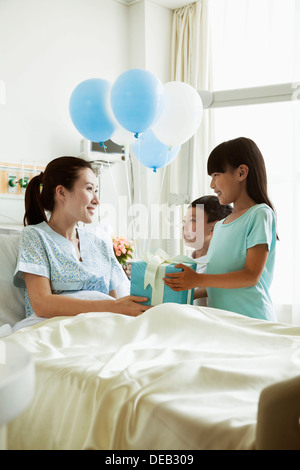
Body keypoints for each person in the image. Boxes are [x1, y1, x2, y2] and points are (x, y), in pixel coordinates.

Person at [13, 156, 150, 330]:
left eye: (96, 190)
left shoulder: (99, 243)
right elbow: (42, 303)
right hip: (55, 329)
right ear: (61, 192)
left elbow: (115, 303)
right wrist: (112, 307)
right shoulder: (35, 236)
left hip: (103, 327)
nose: (96, 200)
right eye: (89, 189)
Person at [164, 137, 278, 321]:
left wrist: (198, 279)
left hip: (253, 321)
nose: (211, 184)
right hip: (225, 323)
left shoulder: (260, 214)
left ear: (241, 173)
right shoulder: (221, 225)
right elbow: (216, 285)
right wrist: (180, 290)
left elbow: (250, 276)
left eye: (216, 175)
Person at [182, 195, 232, 306]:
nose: (184, 226)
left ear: (214, 227)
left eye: (192, 221)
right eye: (184, 220)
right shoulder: (185, 262)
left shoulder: (222, 264)